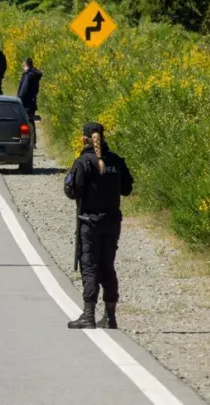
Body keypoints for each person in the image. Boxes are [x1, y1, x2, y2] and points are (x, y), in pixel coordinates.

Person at [64, 123, 134, 330]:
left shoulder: (83, 162)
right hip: (112, 223)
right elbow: (127, 189)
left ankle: (88, 315)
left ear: (84, 139)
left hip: (90, 223)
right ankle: (110, 317)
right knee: (108, 267)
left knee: (90, 266)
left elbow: (71, 191)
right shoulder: (116, 161)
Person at [17, 57, 42, 124]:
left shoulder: (28, 76)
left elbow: (23, 91)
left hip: (25, 104)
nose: (23, 68)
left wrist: (19, 100)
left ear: (26, 65)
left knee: (24, 122)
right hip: (32, 102)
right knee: (31, 122)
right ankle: (33, 134)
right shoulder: (35, 75)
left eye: (23, 66)